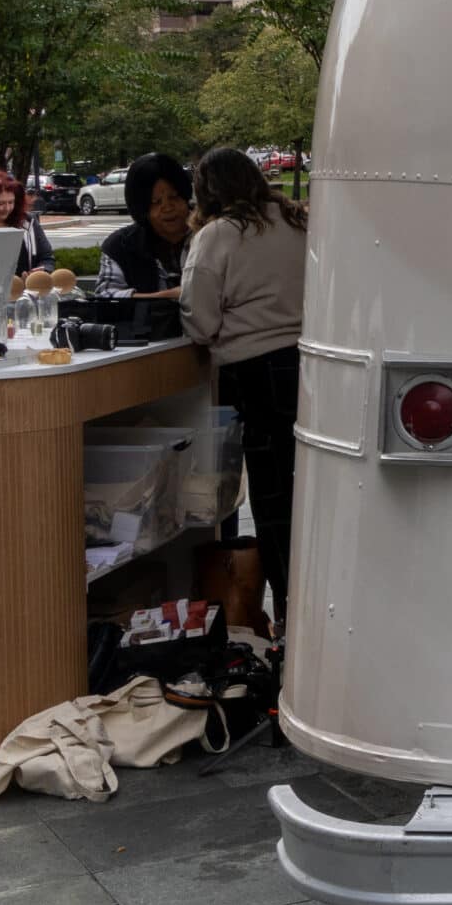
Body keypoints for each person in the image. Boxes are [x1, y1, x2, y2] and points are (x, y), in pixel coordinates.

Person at [181, 147, 307, 623]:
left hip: (253, 371)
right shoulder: (295, 221)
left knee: (271, 496)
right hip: (307, 365)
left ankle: (284, 603)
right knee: (308, 487)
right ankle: (310, 596)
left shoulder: (219, 235)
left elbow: (200, 318)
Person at [95, 154, 193, 300]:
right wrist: (166, 297)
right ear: (141, 209)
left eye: (174, 197)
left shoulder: (210, 235)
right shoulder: (120, 246)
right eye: (156, 202)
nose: (167, 208)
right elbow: (105, 296)